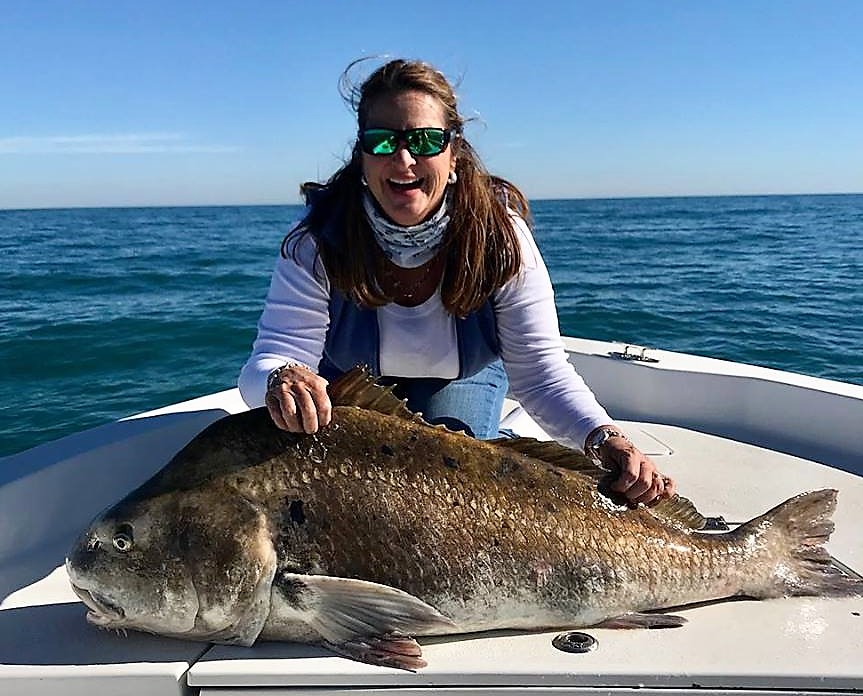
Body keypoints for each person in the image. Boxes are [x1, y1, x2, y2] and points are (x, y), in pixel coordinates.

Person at [239, 58, 676, 506]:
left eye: (425, 140)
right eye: (382, 140)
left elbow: (541, 375)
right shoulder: (317, 241)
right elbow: (272, 358)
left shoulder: (501, 237)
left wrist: (604, 438)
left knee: (455, 481)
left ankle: (498, 442)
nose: (403, 159)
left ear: (453, 155)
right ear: (362, 156)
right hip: (346, 386)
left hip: (459, 379)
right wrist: (283, 377)